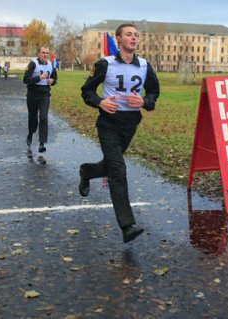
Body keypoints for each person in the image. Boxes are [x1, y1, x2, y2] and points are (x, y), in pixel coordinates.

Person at [80, 23, 160, 243]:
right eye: (128, 34)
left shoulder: (144, 65)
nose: (133, 38)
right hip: (109, 123)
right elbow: (87, 91)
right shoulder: (105, 64)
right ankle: (127, 225)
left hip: (130, 123)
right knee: (117, 169)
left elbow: (154, 91)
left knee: (110, 165)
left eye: (136, 35)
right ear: (118, 39)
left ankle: (87, 172)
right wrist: (100, 102)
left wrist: (144, 101)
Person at [23, 46, 57, 158]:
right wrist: (39, 77)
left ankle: (42, 143)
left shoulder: (50, 65)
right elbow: (25, 79)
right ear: (39, 53)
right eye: (43, 52)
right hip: (33, 93)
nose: (45, 55)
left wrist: (53, 81)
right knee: (33, 117)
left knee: (43, 117)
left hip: (44, 94)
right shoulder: (33, 64)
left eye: (47, 53)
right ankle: (30, 133)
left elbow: (54, 79)